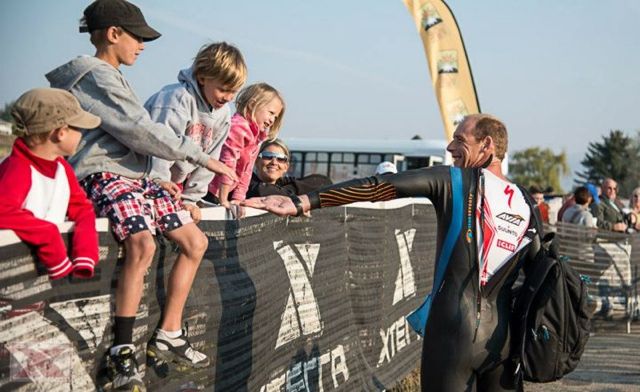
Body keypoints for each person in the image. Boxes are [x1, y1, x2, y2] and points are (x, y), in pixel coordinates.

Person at [244, 114, 540, 391]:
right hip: (503, 339)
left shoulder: (456, 180)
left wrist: (303, 202)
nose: (450, 147)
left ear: (487, 145)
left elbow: (378, 186)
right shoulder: (525, 202)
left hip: (451, 333)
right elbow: (539, 271)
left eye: (460, 139)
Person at [46, 0, 237, 389]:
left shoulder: (113, 75)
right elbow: (138, 130)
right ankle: (122, 349)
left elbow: (138, 139)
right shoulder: (96, 76)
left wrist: (157, 176)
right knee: (142, 245)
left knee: (195, 242)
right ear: (114, 34)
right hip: (104, 174)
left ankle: (168, 331)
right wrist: (201, 158)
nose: (144, 46)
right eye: (139, 37)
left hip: (137, 177)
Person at [0, 88, 101, 280]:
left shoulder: (62, 167)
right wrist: (49, 236)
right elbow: (2, 211)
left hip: (35, 278)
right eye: (78, 129)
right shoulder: (18, 168)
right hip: (9, 281)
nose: (82, 135)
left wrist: (85, 255)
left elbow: (82, 209)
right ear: (61, 133)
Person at [145, 42, 247, 222]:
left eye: (234, 92)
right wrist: (158, 181)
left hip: (173, 185)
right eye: (223, 89)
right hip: (147, 178)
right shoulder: (177, 99)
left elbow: (210, 158)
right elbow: (159, 144)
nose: (228, 98)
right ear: (202, 78)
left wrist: (191, 199)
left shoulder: (223, 113)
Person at [208, 83, 285, 208]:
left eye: (275, 117)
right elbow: (227, 163)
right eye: (271, 113)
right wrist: (223, 199)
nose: (272, 120)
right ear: (252, 104)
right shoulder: (238, 127)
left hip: (223, 191)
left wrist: (238, 199)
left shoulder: (257, 136)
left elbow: (246, 171)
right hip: (210, 190)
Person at [245, 138, 332, 198]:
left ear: (286, 167)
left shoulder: (283, 183)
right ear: (256, 161)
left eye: (281, 159)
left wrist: (287, 191)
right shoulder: (245, 183)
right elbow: (261, 191)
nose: (274, 162)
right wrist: (295, 196)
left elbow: (325, 182)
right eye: (268, 156)